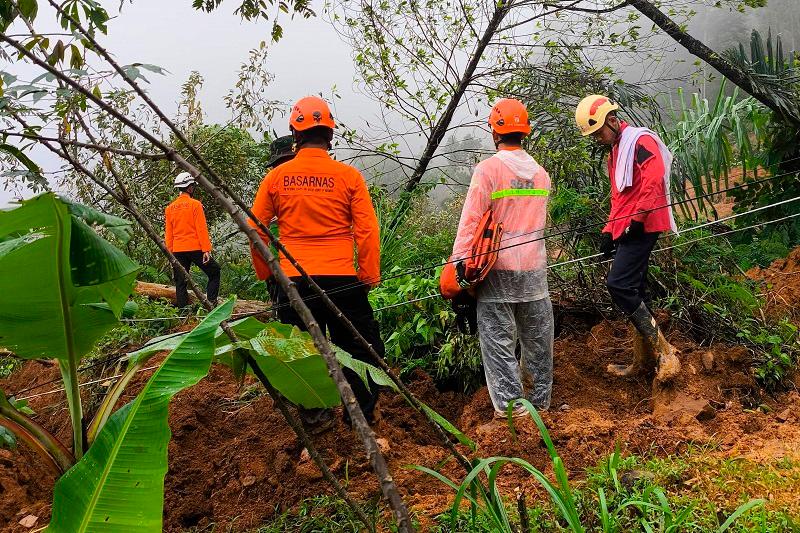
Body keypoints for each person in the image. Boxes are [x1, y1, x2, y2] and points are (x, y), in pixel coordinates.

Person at [249, 96, 383, 430]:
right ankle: (360, 417)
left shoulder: (277, 178)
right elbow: (367, 229)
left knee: (297, 352)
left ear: (295, 134)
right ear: (330, 134)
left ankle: (315, 417)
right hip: (342, 279)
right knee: (359, 349)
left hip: (294, 280)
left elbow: (255, 228)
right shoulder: (348, 176)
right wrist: (368, 274)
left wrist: (268, 272)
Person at [451, 98, 554, 418]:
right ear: (525, 132)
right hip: (534, 270)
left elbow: (471, 220)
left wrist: (460, 265)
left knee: (498, 343)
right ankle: (539, 406)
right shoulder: (541, 175)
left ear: (494, 131)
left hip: (496, 271)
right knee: (538, 342)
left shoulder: (489, 170)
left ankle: (513, 415)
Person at [574, 94, 681, 383]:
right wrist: (608, 232)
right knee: (637, 291)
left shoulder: (640, 142)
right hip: (630, 226)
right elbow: (619, 198)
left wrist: (637, 220)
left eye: (598, 132)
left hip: (644, 226)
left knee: (618, 285)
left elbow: (654, 179)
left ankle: (665, 354)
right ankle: (643, 363)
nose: (596, 139)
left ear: (611, 119)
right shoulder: (616, 151)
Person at [164, 172, 221, 308]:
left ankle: (183, 313)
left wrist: (170, 253)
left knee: (180, 281)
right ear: (189, 188)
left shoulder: (170, 208)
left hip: (177, 250)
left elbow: (169, 234)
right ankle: (211, 303)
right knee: (215, 271)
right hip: (195, 248)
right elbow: (201, 229)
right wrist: (206, 250)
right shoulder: (195, 205)